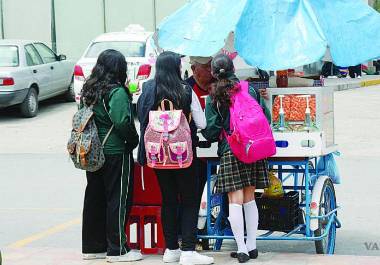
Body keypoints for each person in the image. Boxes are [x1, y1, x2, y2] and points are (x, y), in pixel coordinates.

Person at [137, 51, 214, 265]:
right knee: (189, 201)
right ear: (177, 69)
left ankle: (171, 249)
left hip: (159, 155)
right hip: (183, 156)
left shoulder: (148, 90)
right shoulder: (185, 91)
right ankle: (188, 251)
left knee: (168, 200)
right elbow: (202, 124)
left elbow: (141, 118)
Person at [202, 54, 270, 263]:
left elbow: (212, 131)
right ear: (233, 68)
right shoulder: (249, 89)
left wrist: (207, 133)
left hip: (231, 148)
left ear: (213, 73)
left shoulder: (213, 95)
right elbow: (265, 117)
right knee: (250, 197)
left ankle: (241, 248)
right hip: (252, 148)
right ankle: (252, 246)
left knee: (235, 199)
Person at [80, 49, 141, 263]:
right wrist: (133, 141)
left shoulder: (88, 90)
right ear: (120, 69)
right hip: (115, 152)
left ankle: (94, 246)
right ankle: (118, 249)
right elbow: (122, 121)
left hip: (91, 152)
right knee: (118, 199)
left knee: (95, 198)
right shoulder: (117, 93)